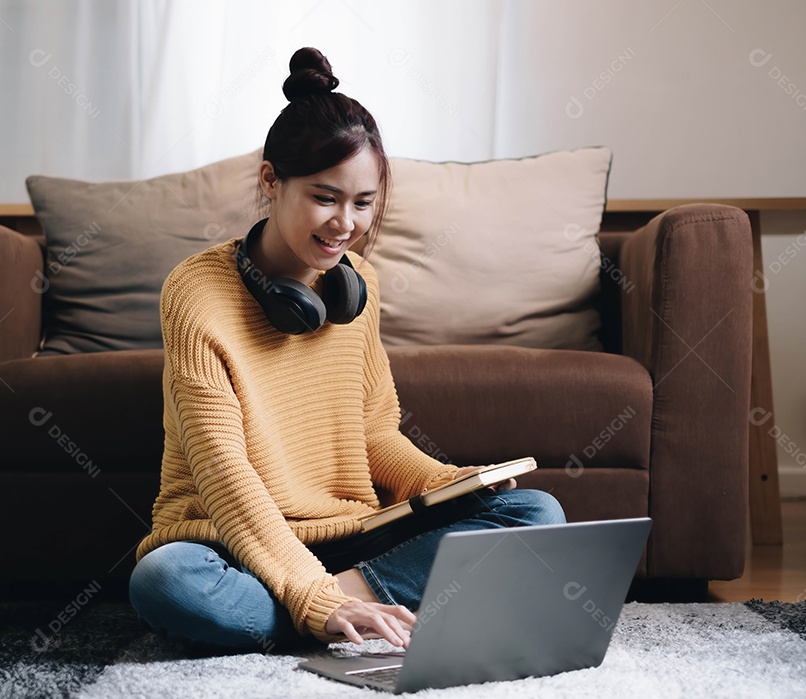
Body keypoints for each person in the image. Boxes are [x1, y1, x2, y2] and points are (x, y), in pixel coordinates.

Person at [129, 47, 565, 652]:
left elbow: (375, 434)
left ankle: (333, 609)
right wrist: (314, 596)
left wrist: (452, 482)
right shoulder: (195, 292)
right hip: (227, 541)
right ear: (270, 180)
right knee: (166, 582)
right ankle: (344, 608)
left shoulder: (356, 286)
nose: (346, 224)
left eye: (363, 203)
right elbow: (223, 472)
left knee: (537, 515)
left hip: (350, 535)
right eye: (325, 197)